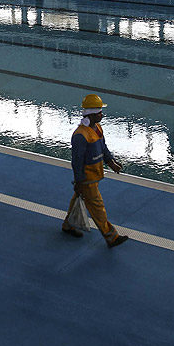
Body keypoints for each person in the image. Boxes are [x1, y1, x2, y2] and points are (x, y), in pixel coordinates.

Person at [62, 94, 129, 248]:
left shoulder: (97, 128)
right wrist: (78, 181)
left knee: (76, 200)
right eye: (99, 112)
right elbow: (77, 161)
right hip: (87, 178)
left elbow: (103, 147)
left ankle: (68, 225)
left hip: (95, 173)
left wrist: (110, 162)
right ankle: (111, 237)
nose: (102, 115)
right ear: (91, 114)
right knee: (97, 207)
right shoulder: (80, 135)